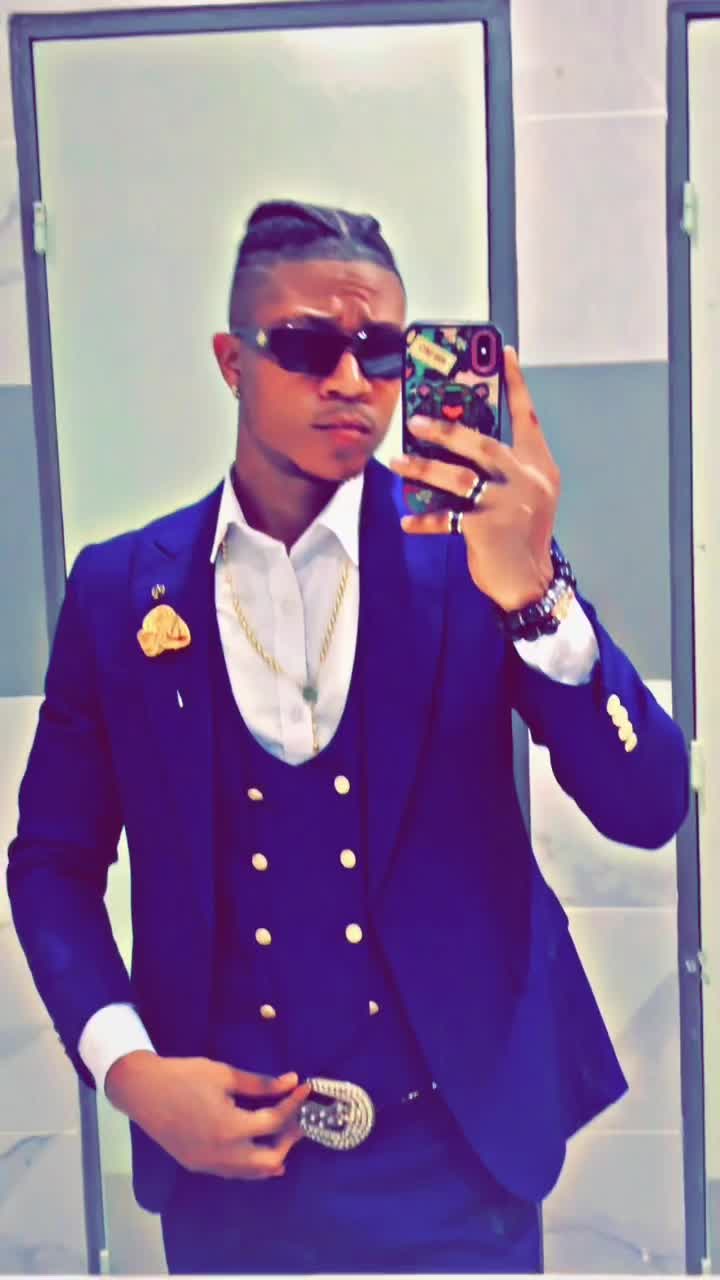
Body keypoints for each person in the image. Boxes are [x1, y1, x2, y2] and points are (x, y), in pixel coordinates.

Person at [7, 199, 689, 1275]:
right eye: (305, 344)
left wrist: (539, 596)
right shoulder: (119, 590)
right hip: (231, 1169)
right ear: (232, 360)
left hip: (460, 1159)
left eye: (379, 350)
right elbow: (50, 863)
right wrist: (130, 1071)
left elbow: (649, 806)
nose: (349, 379)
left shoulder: (474, 558)